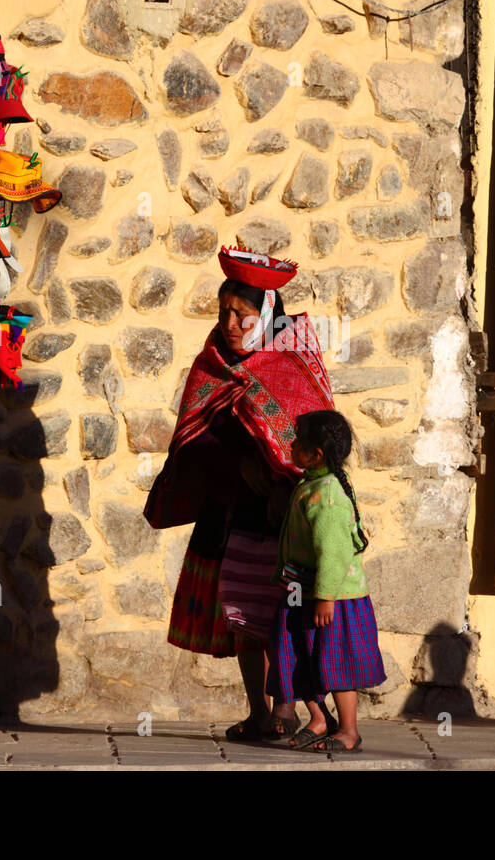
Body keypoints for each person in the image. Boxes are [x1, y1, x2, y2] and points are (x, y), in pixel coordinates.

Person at [145, 244, 336, 742]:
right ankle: (258, 711)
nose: (230, 323)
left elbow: (315, 439)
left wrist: (278, 480)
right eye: (224, 311)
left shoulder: (292, 359)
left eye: (242, 314)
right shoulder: (211, 363)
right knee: (243, 617)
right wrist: (237, 461)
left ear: (267, 314)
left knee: (282, 614)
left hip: (282, 516)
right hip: (229, 510)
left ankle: (286, 707)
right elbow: (195, 437)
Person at [269, 409, 386, 753]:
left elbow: (333, 552)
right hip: (299, 591)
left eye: (297, 442)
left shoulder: (328, 494)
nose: (291, 445)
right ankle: (320, 719)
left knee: (337, 662)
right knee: (298, 656)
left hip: (332, 598)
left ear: (315, 454)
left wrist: (325, 598)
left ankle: (349, 730)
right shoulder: (311, 484)